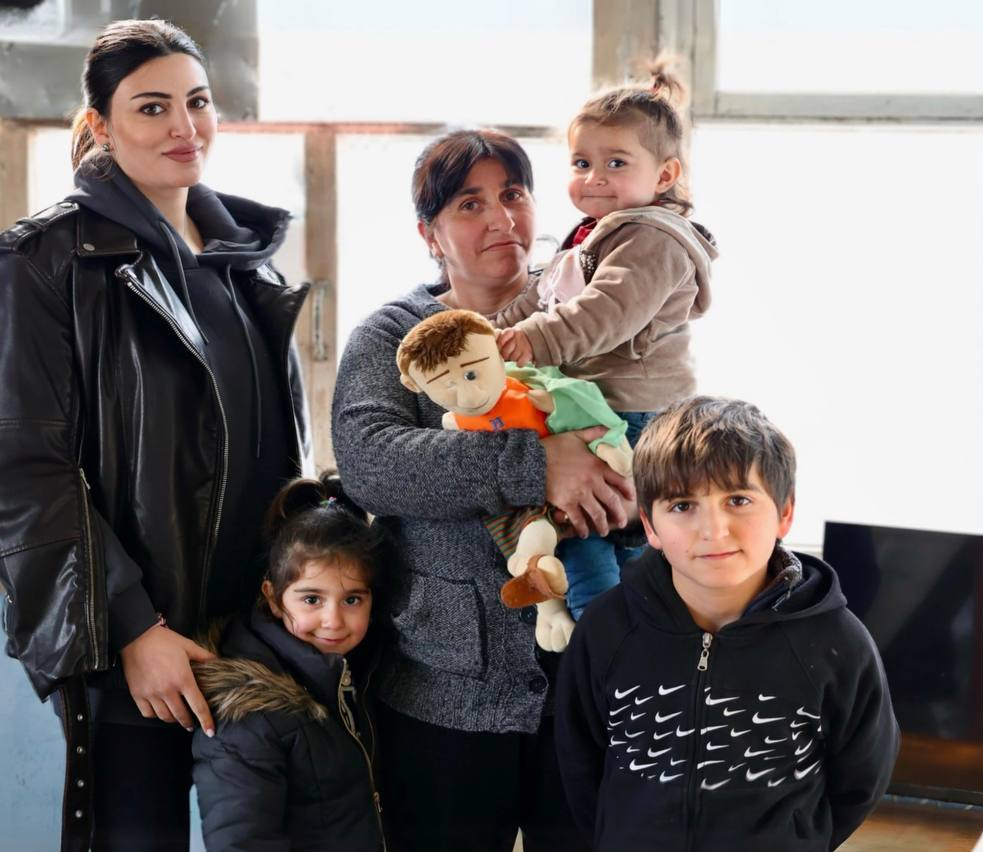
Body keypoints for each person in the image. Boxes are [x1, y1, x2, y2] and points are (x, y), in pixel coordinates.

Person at [0, 19, 308, 850]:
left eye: (198, 102)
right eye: (152, 107)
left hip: (254, 637)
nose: (184, 127)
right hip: (137, 644)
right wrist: (133, 628)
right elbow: (27, 474)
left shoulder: (244, 258)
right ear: (101, 125)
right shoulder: (43, 261)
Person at [331, 128, 634, 852]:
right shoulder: (396, 337)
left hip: (590, 683)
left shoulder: (590, 316)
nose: (501, 218)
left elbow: (660, 434)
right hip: (445, 691)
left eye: (514, 194)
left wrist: (626, 481)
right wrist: (536, 462)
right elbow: (371, 462)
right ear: (429, 234)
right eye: (469, 204)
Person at [554, 396, 900, 851]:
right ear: (650, 526)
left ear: (784, 513)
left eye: (738, 500)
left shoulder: (838, 641)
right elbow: (580, 764)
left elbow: (860, 779)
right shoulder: (608, 628)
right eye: (683, 505)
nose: (714, 530)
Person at [495, 56, 720, 619]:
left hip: (633, 409)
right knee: (586, 523)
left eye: (615, 163)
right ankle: (607, 619)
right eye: (582, 162)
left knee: (589, 523)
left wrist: (530, 340)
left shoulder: (654, 240)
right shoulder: (591, 236)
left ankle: (600, 622)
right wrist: (486, 334)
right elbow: (540, 297)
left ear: (664, 176)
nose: (593, 177)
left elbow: (607, 312)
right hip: (596, 402)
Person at [192, 473, 388, 851]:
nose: (333, 620)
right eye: (312, 599)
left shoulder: (359, 671)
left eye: (352, 600)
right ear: (273, 596)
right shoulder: (249, 713)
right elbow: (241, 841)